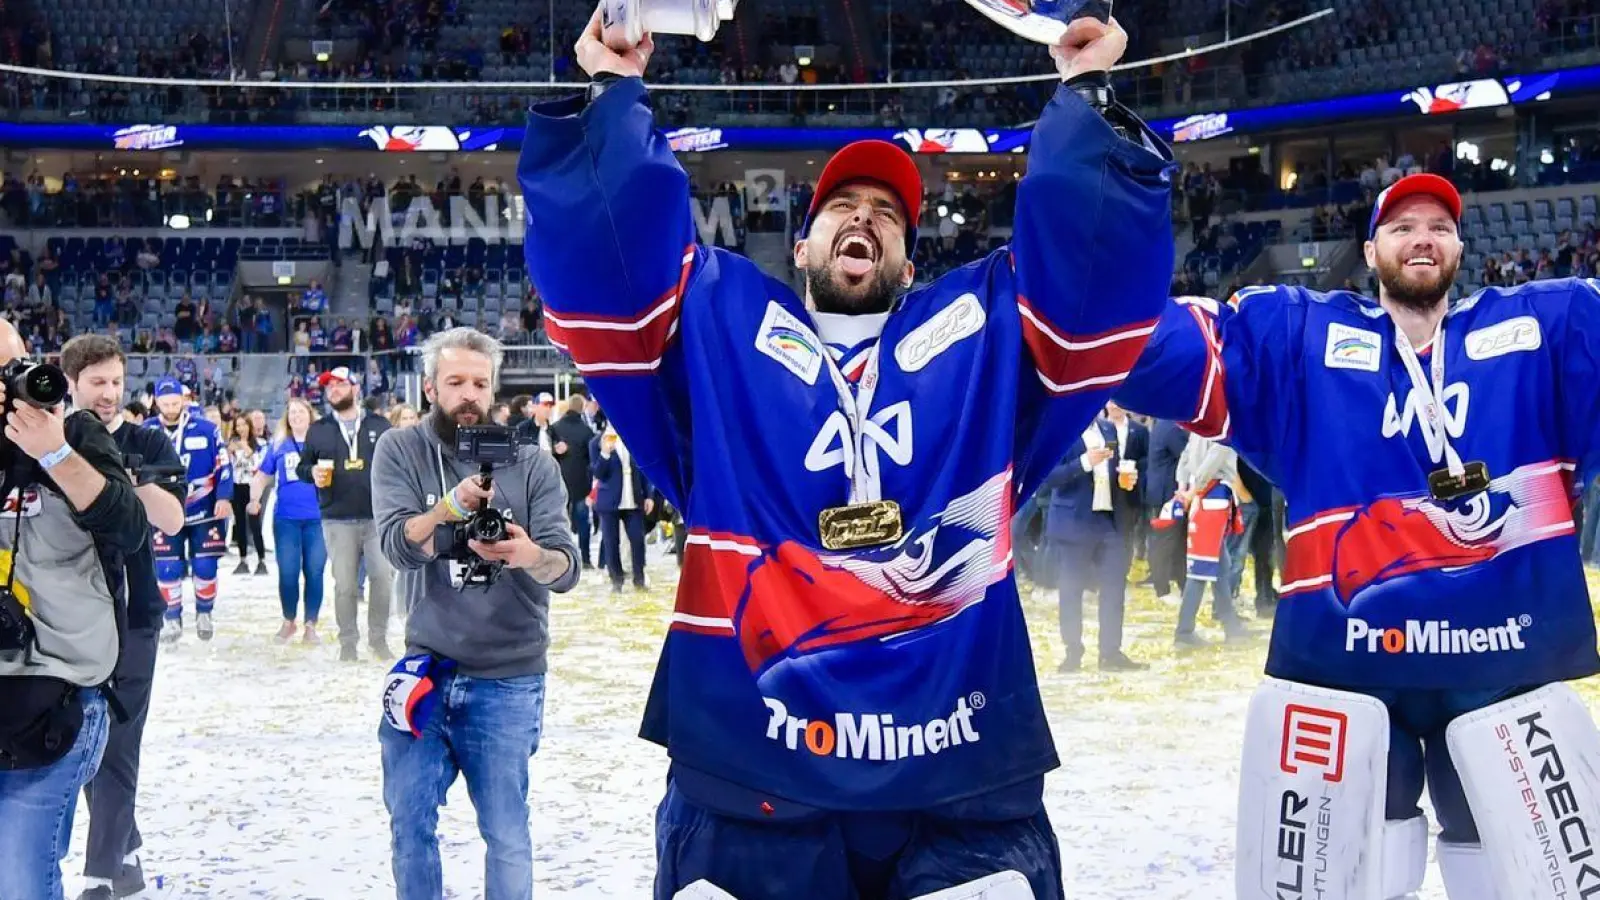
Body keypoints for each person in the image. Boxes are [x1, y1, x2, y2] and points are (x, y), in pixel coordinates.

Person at [519, 10, 1173, 898]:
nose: (862, 220)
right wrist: (611, 97)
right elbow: (608, 277)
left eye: (887, 217)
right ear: (802, 247)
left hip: (958, 780)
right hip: (753, 774)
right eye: (840, 208)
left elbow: (1090, 296)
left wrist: (1083, 100)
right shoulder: (718, 317)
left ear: (909, 265)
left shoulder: (982, 329)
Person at [1117, 172, 1600, 897]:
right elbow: (1152, 354)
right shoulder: (1303, 339)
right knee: (1358, 872)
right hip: (1352, 677)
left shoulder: (1543, 330)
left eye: (1438, 225)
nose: (1422, 238)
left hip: (1502, 670)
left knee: (1515, 874)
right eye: (1403, 227)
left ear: (1461, 248)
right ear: (1370, 249)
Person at [371, 327, 580, 900]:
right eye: (455, 381)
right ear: (430, 386)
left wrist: (526, 553)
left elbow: (566, 569)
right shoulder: (401, 449)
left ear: (494, 389)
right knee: (409, 825)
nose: (468, 394)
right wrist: (450, 508)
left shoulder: (534, 464)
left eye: (479, 383)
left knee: (507, 833)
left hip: (509, 675)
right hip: (427, 667)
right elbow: (396, 546)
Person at [0, 321, 150, 900]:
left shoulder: (77, 432)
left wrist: (52, 451)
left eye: (9, 370)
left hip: (59, 691)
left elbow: (129, 527)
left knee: (19, 875)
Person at [60, 334, 188, 900]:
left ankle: (99, 876)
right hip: (67, 615)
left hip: (136, 611)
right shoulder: (52, 441)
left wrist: (128, 480)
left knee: (121, 743)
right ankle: (126, 852)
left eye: (116, 382)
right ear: (72, 384)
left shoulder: (146, 440)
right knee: (85, 739)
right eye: (97, 384)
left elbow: (175, 520)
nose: (109, 394)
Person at [294, 366, 394, 661]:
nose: (333, 391)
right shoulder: (319, 429)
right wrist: (311, 471)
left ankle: (378, 639)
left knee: (383, 579)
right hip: (336, 516)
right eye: (328, 387)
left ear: (355, 388)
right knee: (346, 585)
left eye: (339, 385)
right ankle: (348, 643)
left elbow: (396, 466)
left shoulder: (380, 424)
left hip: (378, 516)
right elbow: (302, 467)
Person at [1039, 404, 1148, 672]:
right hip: (1073, 521)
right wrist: (1084, 463)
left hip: (1107, 519)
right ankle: (1073, 653)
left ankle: (1110, 653)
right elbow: (1045, 478)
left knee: (1114, 588)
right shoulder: (1059, 429)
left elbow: (1113, 470)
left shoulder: (1108, 428)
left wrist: (1127, 481)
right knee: (1072, 591)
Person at [144, 377, 232, 644]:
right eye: (165, 403)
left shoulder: (207, 429)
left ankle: (204, 613)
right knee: (167, 568)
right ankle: (172, 618)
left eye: (175, 402)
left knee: (205, 565)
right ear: (156, 402)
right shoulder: (145, 431)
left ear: (184, 400)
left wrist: (225, 496)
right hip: (162, 511)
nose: (171, 408)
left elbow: (223, 464)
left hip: (204, 510)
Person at [250, 399, 326, 644]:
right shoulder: (279, 445)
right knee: (288, 572)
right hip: (287, 520)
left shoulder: (323, 444)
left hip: (317, 519)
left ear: (309, 415)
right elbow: (262, 475)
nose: (296, 416)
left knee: (315, 572)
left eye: (300, 412)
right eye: (291, 412)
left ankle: (311, 624)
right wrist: (254, 499)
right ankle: (289, 620)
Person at [1170, 432, 1251, 646]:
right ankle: (1184, 632)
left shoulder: (1200, 422)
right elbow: (1215, 457)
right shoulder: (1222, 423)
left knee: (1220, 566)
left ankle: (1231, 625)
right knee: (1201, 568)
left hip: (1204, 494)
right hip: (1212, 494)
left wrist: (1184, 486)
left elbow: (1186, 455)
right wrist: (1193, 490)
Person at [590, 424, 652, 592]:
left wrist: (648, 495)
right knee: (611, 541)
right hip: (609, 500)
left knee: (637, 540)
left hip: (633, 498)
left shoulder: (634, 438)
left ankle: (639, 578)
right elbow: (598, 473)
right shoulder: (596, 442)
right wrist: (605, 453)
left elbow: (643, 469)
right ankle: (616, 580)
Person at [548, 394, 595, 570]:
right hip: (581, 484)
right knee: (583, 523)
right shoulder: (586, 431)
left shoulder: (555, 428)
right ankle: (586, 558)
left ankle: (562, 558)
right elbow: (591, 460)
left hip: (559, 482)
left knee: (558, 522)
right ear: (582, 408)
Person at [227, 415, 268, 575]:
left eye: (244, 425)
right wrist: (230, 452)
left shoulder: (260, 444)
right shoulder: (232, 445)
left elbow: (259, 465)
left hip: (252, 486)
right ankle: (242, 559)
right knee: (240, 524)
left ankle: (261, 559)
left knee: (255, 524)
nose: (241, 428)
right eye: (238, 425)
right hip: (237, 486)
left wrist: (247, 449)